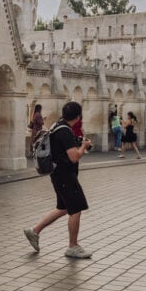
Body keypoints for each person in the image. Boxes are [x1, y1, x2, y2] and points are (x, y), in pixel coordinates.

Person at [24, 101, 93, 259]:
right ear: (77, 117)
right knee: (76, 209)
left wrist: (79, 144)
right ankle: (72, 247)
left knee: (63, 207)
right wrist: (83, 146)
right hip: (65, 175)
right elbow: (74, 157)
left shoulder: (57, 125)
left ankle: (34, 231)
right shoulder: (65, 131)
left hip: (57, 174)